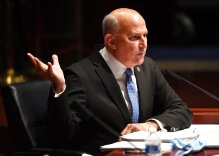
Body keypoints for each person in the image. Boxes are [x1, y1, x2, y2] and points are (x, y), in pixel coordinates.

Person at [27, 8, 192, 154]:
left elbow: (181, 110)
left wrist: (151, 125)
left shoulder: (147, 67)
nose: (144, 44)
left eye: (145, 35)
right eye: (135, 37)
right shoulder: (80, 76)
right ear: (111, 42)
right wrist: (60, 87)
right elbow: (64, 134)